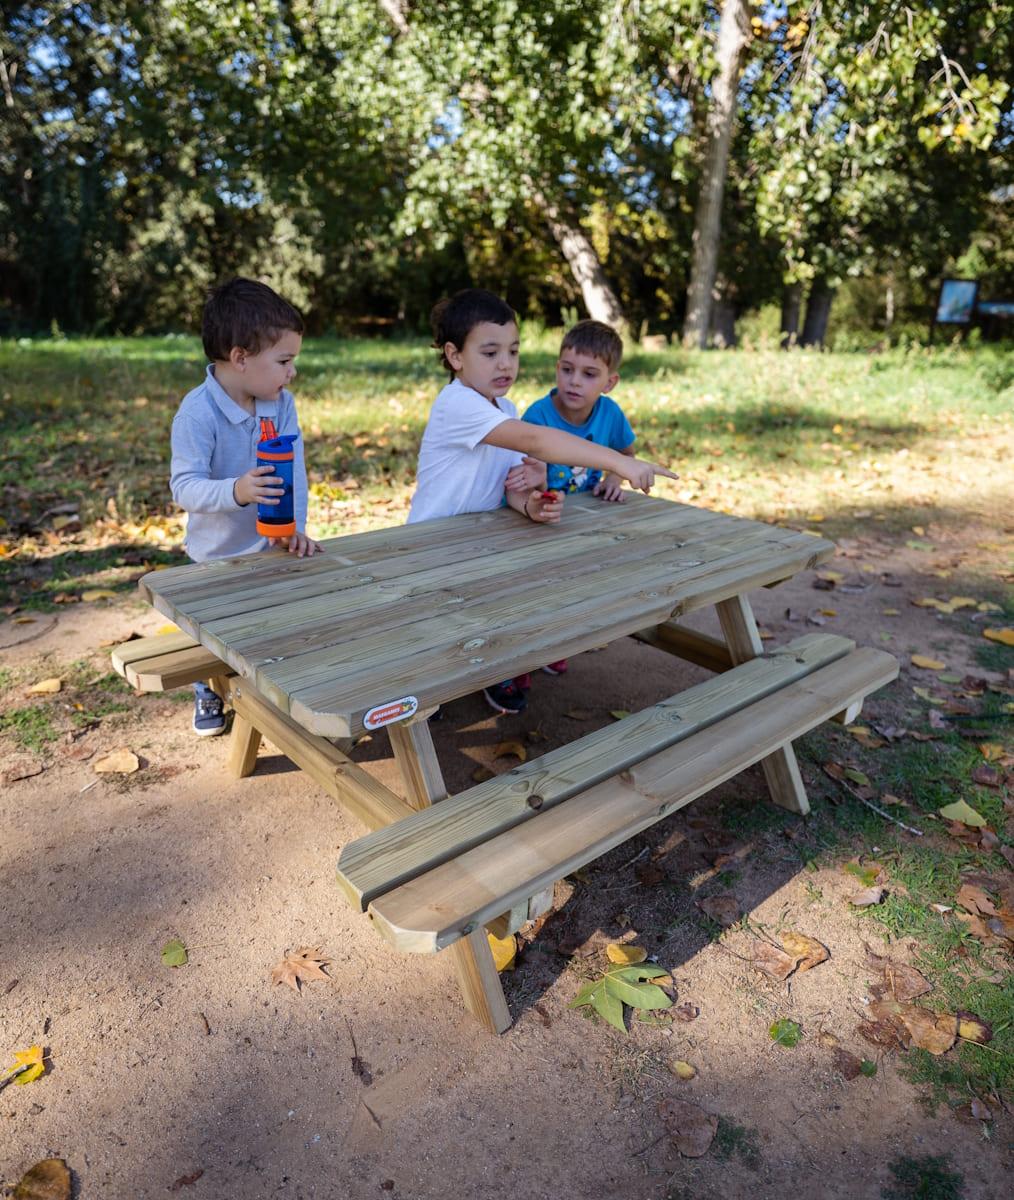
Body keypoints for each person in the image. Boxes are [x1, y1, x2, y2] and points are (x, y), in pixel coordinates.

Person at [408, 289, 676, 714]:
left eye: (513, 351)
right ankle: (418, 692)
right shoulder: (457, 403)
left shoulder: (505, 405)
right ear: (455, 356)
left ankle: (492, 673)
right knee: (433, 638)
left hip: (478, 543)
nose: (505, 364)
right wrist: (617, 462)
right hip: (431, 548)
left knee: (495, 611)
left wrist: (530, 503)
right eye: (490, 352)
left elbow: (511, 482)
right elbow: (535, 440)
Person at [170, 277, 321, 736]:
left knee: (280, 625)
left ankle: (277, 689)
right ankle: (208, 686)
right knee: (215, 641)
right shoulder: (198, 414)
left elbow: (294, 472)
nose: (291, 373)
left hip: (269, 547)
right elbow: (184, 488)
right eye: (284, 361)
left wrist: (295, 526)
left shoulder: (281, 404)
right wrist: (237, 491)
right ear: (240, 357)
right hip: (212, 558)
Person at [519, 318, 632, 676]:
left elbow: (626, 453)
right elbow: (522, 475)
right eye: (567, 370)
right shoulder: (537, 415)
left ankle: (558, 642)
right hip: (540, 519)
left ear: (609, 382)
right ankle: (517, 659)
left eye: (588, 374)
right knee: (535, 589)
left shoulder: (610, 414)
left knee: (578, 584)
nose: (574, 381)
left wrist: (615, 477)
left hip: (585, 519)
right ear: (557, 369)